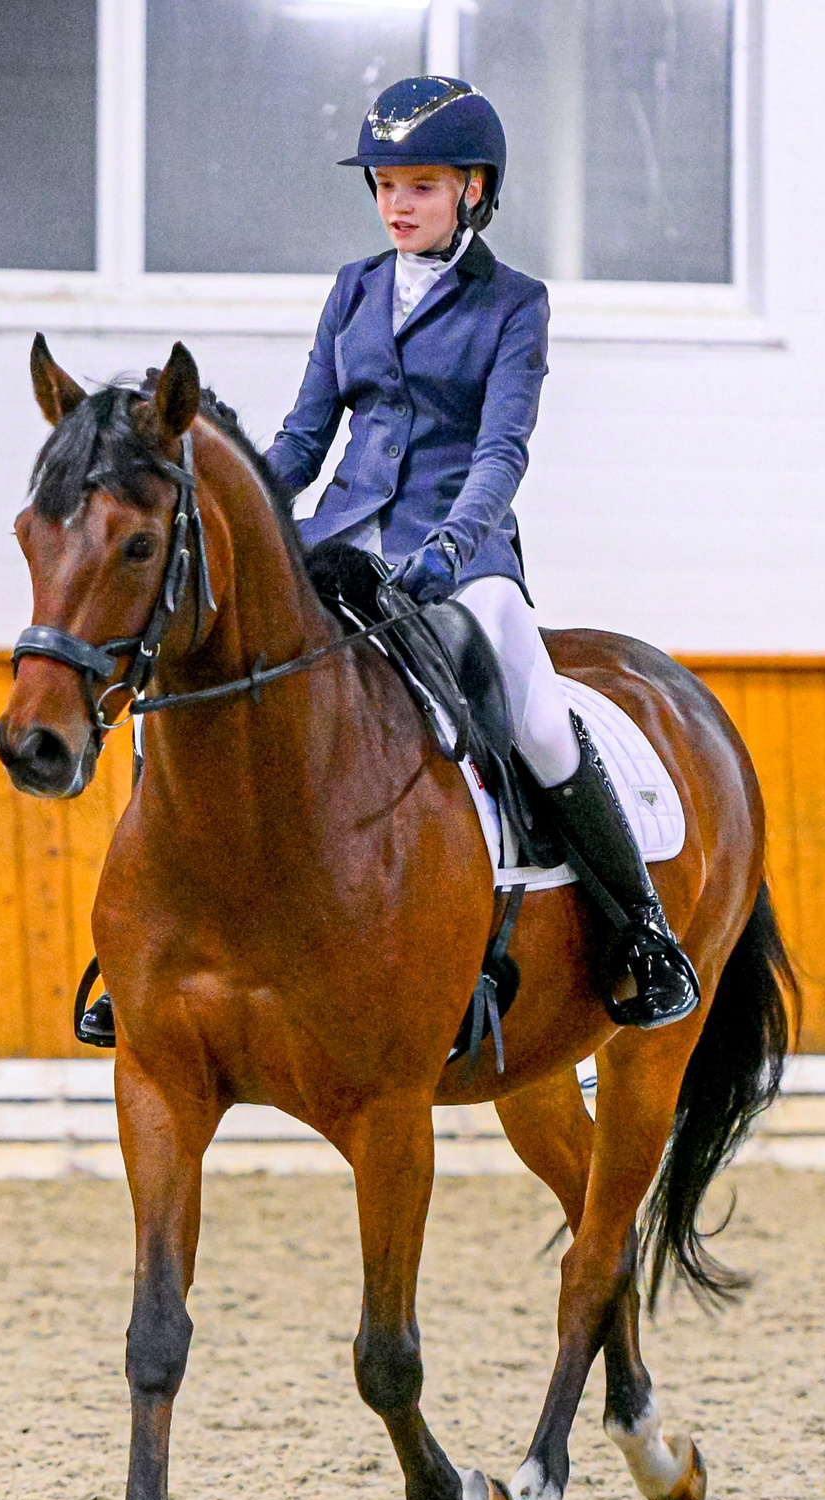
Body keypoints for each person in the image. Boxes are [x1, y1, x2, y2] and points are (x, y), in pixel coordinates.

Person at [266, 75, 697, 1030]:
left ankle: (642, 929)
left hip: (458, 554)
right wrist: (248, 517)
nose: (395, 205)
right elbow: (303, 438)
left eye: (417, 185)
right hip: (337, 540)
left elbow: (501, 448)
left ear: (471, 188)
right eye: (382, 185)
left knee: (537, 722)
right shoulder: (354, 289)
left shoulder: (514, 304)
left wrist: (449, 547)